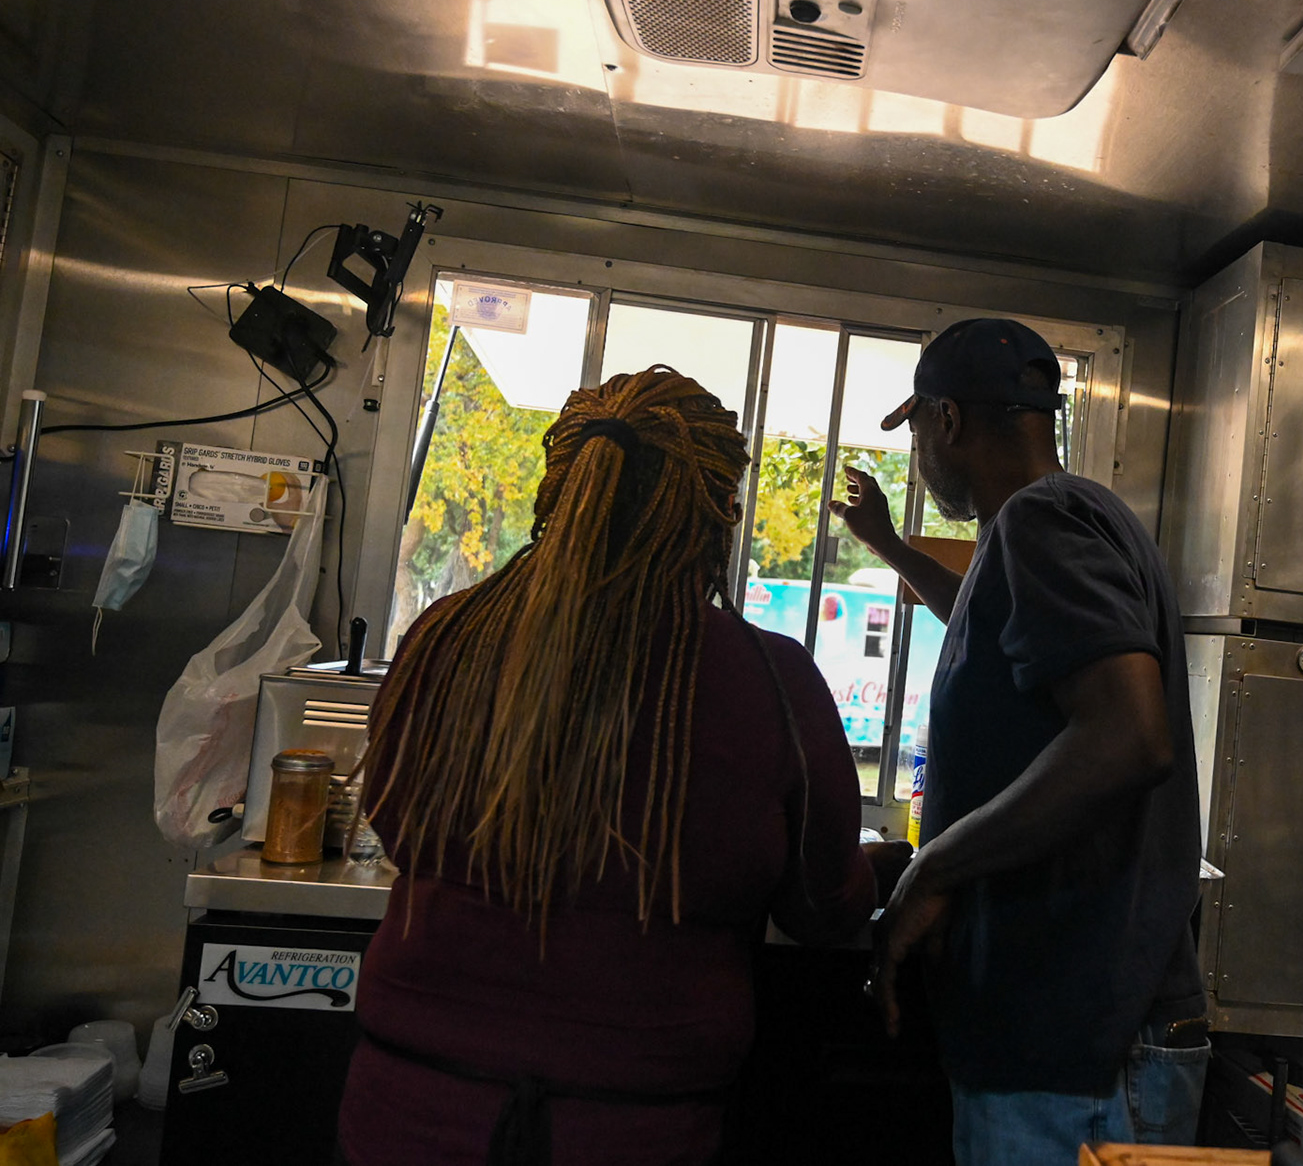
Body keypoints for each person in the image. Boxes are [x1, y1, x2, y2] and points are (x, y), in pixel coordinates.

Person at [337, 368, 903, 1166]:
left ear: (558, 484)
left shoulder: (449, 634)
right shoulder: (766, 677)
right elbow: (822, 905)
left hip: (402, 1113)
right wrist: (887, 867)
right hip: (635, 1128)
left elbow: (395, 821)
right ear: (717, 510)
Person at [829, 319, 1208, 1164]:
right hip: (1072, 1043)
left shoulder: (1043, 523)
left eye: (919, 432)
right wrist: (888, 545)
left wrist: (935, 865)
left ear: (949, 421)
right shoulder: (1064, 519)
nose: (921, 454)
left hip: (1075, 1052)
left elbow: (1130, 735)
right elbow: (989, 620)